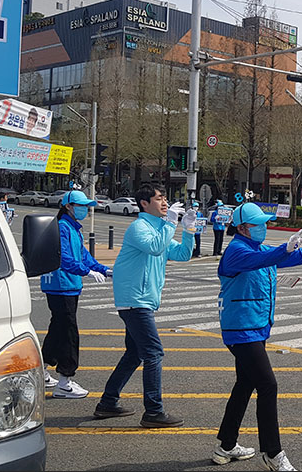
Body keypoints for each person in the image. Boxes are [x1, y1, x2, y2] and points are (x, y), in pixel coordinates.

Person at [211, 202, 302, 471]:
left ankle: (226, 445)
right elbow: (262, 260)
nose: (264, 227)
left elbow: (297, 257)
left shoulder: (260, 249)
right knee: (268, 385)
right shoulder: (236, 252)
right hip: (241, 330)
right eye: (259, 224)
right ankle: (273, 452)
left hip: (256, 328)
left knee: (244, 385)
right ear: (243, 228)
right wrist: (284, 249)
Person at [94, 183, 197, 427]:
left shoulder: (159, 228)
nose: (165, 203)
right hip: (134, 300)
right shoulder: (139, 227)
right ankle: (153, 411)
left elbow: (182, 254)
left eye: (165, 199)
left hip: (143, 300)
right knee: (153, 352)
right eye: (159, 199)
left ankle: (107, 403)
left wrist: (189, 229)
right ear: (144, 203)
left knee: (135, 353)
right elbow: (155, 247)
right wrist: (171, 223)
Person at [39, 190, 111, 399]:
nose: (85, 210)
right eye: (81, 206)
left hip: (68, 285)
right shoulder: (62, 227)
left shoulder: (72, 227)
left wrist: (102, 269)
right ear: (69, 206)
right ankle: (64, 381)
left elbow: (84, 255)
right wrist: (87, 272)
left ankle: (42, 369)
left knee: (58, 327)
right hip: (61, 285)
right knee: (69, 332)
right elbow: (66, 259)